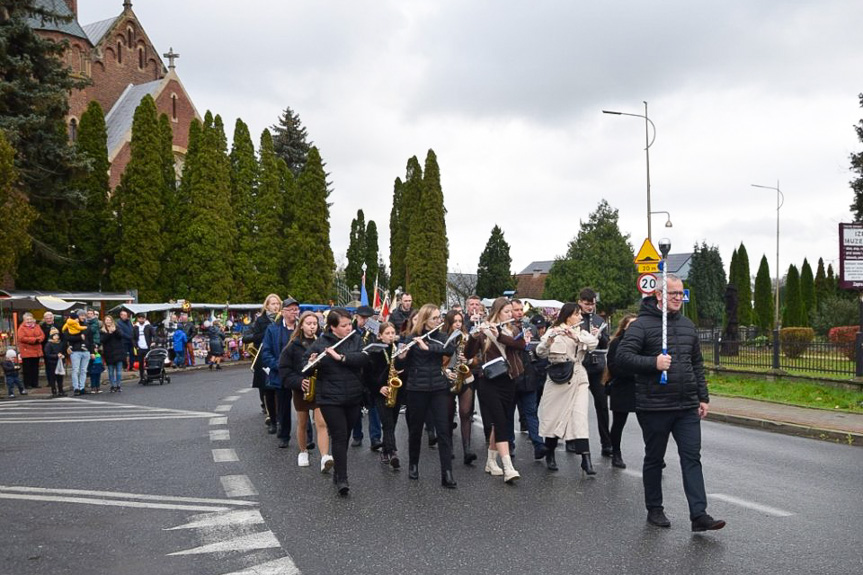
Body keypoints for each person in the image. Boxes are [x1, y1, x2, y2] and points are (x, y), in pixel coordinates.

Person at [616, 274, 726, 532]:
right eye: (673, 294)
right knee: (655, 458)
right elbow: (622, 357)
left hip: (686, 405)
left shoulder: (688, 326)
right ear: (658, 295)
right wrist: (653, 363)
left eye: (681, 294)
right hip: (654, 405)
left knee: (692, 457)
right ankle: (654, 508)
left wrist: (702, 396)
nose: (679, 298)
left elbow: (696, 363)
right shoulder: (641, 325)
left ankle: (699, 515)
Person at [303, 308, 369, 496]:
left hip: (353, 395)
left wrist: (341, 358)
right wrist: (312, 361)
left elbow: (364, 359)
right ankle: (342, 479)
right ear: (332, 327)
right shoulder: (321, 343)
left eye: (349, 324)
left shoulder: (355, 339)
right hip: (330, 398)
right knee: (339, 435)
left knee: (345, 435)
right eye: (344, 325)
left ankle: (338, 471)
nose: (349, 328)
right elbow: (304, 367)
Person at [396, 304, 458, 488]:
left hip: (438, 387)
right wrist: (402, 356)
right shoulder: (411, 337)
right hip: (417, 388)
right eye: (435, 318)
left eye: (439, 317)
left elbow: (449, 350)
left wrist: (428, 347)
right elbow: (400, 366)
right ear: (424, 320)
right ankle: (413, 465)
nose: (439, 321)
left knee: (444, 430)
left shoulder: (442, 336)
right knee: (415, 430)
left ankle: (447, 473)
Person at [464, 297, 525, 483]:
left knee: (502, 421)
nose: (511, 315)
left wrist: (498, 334)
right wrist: (475, 336)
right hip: (489, 381)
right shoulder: (484, 330)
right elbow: (468, 354)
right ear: (497, 313)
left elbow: (520, 345)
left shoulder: (513, 329)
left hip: (508, 380)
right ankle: (508, 466)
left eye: (511, 311)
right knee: (500, 422)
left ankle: (491, 461)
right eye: (507, 312)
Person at [536, 302, 599, 475]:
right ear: (568, 316)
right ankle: (550, 452)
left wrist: (575, 337)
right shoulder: (552, 331)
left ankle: (586, 460)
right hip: (558, 378)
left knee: (579, 417)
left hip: (578, 377)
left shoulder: (581, 332)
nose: (580, 317)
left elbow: (593, 343)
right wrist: (550, 340)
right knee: (553, 418)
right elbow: (540, 352)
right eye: (577, 314)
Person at [281, 311, 330, 470]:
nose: (312, 327)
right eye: (308, 324)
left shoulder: (323, 342)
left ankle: (324, 457)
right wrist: (299, 381)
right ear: (301, 325)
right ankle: (303, 451)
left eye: (314, 324)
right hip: (302, 387)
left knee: (321, 422)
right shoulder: (293, 345)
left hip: (319, 387)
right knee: (302, 422)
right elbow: (284, 370)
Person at [566, 288, 612, 457]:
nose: (590, 307)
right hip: (580, 366)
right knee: (574, 405)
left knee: (601, 405)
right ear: (580, 302)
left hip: (597, 368)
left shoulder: (599, 320)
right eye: (586, 304)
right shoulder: (574, 319)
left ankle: (606, 444)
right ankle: (571, 440)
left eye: (592, 304)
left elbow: (606, 343)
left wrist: (599, 337)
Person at [509, 299, 546, 460]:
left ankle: (538, 444)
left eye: (520, 309)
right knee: (509, 413)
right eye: (515, 310)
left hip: (529, 374)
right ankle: (509, 444)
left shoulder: (530, 328)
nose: (518, 312)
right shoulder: (505, 328)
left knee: (531, 411)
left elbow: (537, 350)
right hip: (512, 375)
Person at [441, 310, 478, 466]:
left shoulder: (467, 338)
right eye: (455, 321)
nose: (458, 324)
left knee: (465, 413)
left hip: (465, 378)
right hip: (448, 379)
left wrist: (468, 360)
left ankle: (467, 450)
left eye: (460, 321)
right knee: (449, 415)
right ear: (449, 323)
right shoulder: (443, 339)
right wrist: (445, 371)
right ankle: (448, 449)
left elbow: (476, 360)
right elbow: (437, 361)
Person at [260, 298, 300, 441]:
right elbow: (266, 353)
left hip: (300, 374)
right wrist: (278, 366)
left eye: (296, 309)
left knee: (303, 408)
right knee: (283, 407)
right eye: (291, 310)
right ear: (283, 312)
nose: (294, 313)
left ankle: (307, 438)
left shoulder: (302, 328)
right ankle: (284, 435)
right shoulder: (273, 329)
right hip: (281, 373)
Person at [365, 321, 403, 469]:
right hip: (381, 392)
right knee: (387, 423)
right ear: (380, 336)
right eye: (387, 333)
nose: (391, 336)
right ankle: (393, 452)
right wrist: (378, 387)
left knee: (392, 422)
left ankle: (385, 451)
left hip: (396, 390)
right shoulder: (374, 351)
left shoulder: (397, 350)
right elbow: (367, 375)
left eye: (393, 333)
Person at [605, 314, 638, 469]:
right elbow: (613, 365)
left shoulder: (642, 342)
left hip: (639, 388)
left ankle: (654, 454)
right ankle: (616, 453)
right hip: (621, 386)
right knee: (619, 423)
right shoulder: (616, 343)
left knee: (649, 424)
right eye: (630, 325)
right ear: (624, 326)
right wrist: (634, 373)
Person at [246, 294, 281, 426]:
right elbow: (248, 337)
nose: (276, 306)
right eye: (273, 304)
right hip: (264, 357)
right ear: (267, 306)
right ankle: (270, 413)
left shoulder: (282, 319)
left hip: (278, 356)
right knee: (266, 388)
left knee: (279, 388)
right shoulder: (260, 320)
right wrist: (267, 331)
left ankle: (278, 415)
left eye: (277, 303)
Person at [351, 305, 382, 450]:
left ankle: (375, 438)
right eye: (362, 318)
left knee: (373, 406)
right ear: (356, 317)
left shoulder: (374, 331)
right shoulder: (350, 331)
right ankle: (357, 435)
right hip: (356, 373)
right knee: (356, 407)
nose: (365, 321)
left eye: (367, 318)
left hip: (371, 372)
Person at [64, 310, 94, 395]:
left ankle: (82, 387)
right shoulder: (70, 325)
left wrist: (92, 352)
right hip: (75, 350)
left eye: (84, 315)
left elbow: (90, 340)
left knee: (84, 370)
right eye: (81, 315)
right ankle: (76, 388)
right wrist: (80, 338)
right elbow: (67, 337)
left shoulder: (87, 326)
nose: (83, 317)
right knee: (75, 370)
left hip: (86, 351)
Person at [16, 312, 45, 389]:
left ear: (33, 319)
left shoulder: (37, 326)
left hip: (36, 351)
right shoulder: (21, 328)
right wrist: (34, 340)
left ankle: (35, 383)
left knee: (35, 368)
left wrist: (39, 339)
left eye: (30, 319)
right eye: (27, 319)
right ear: (24, 320)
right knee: (27, 369)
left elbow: (42, 335)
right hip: (27, 351)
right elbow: (21, 338)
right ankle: (27, 384)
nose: (29, 320)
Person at [100, 315, 126, 393]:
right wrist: (109, 333)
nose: (108, 321)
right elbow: (102, 340)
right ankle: (112, 386)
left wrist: (114, 331)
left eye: (109, 320)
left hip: (118, 352)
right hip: (109, 353)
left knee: (118, 371)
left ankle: (118, 385)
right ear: (104, 322)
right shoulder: (102, 330)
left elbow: (121, 335)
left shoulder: (117, 328)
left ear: (112, 321)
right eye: (106, 320)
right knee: (110, 371)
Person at [132, 313, 155, 384]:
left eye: (143, 318)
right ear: (138, 319)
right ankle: (142, 377)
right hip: (140, 348)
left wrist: (153, 342)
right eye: (140, 318)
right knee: (141, 364)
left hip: (147, 347)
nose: (141, 320)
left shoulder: (149, 326)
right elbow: (133, 338)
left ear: (145, 319)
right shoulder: (135, 327)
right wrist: (136, 346)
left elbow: (154, 335)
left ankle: (150, 376)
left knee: (149, 363)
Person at [43, 328, 66, 397]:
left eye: (57, 335)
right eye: (54, 335)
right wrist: (56, 356)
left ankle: (61, 390)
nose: (57, 336)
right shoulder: (49, 344)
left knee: (60, 377)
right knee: (53, 378)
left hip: (60, 362)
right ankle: (54, 391)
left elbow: (63, 351)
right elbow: (47, 354)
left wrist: (63, 355)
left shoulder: (60, 343)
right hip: (52, 363)